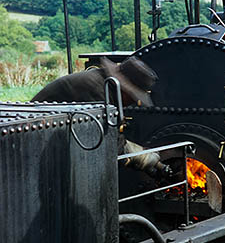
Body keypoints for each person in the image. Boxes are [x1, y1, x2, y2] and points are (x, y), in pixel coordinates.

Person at [32, 56, 172, 180]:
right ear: (125, 89)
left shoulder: (102, 84)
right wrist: (140, 157)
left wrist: (138, 153)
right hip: (37, 142)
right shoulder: (96, 91)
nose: (134, 102)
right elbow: (105, 143)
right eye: (134, 96)